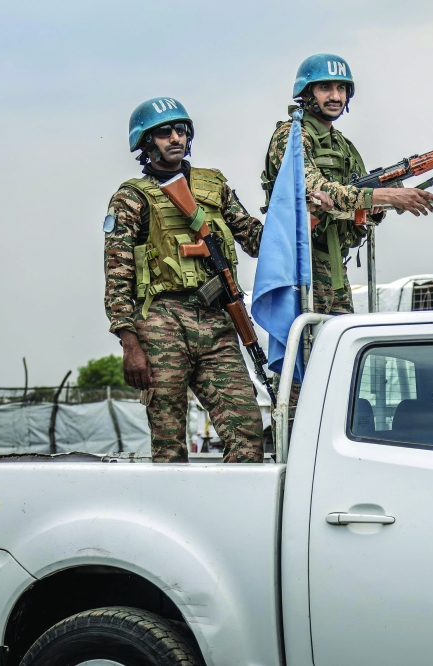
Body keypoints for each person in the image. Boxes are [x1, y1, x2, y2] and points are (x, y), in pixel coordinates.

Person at [105, 97, 276, 463]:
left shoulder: (213, 186)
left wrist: (299, 215)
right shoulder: (131, 197)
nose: (175, 138)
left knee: (247, 434)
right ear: (147, 142)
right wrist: (129, 342)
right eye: (164, 132)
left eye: (181, 130)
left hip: (216, 318)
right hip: (161, 323)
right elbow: (117, 272)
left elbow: (253, 237)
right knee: (169, 443)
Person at [261, 53, 433, 315]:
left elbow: (359, 203)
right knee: (304, 349)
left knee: (337, 348)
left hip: (335, 268)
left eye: (341, 88)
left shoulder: (343, 145)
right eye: (325, 88)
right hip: (299, 265)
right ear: (306, 92)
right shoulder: (290, 135)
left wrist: (375, 208)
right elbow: (316, 187)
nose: (335, 96)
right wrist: (386, 196)